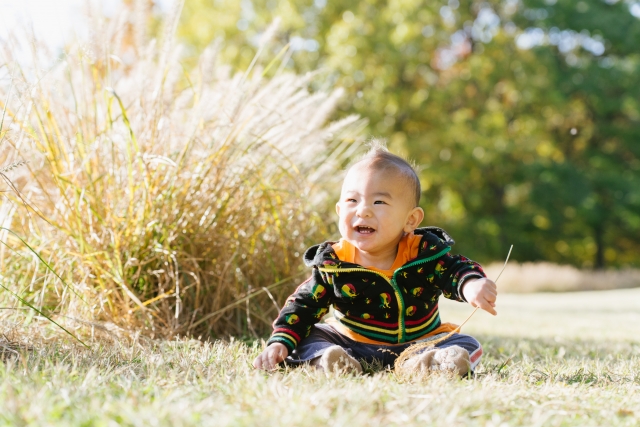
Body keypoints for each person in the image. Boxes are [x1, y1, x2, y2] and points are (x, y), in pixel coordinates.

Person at [253, 143, 497, 376]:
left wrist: (470, 284)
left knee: (465, 342)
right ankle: (331, 361)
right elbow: (304, 305)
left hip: (420, 343)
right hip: (351, 344)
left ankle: (426, 365)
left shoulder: (424, 254)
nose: (363, 210)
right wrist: (281, 341)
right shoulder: (335, 263)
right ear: (339, 211)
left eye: (379, 201)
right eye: (352, 200)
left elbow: (454, 270)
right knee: (310, 337)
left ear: (411, 220)